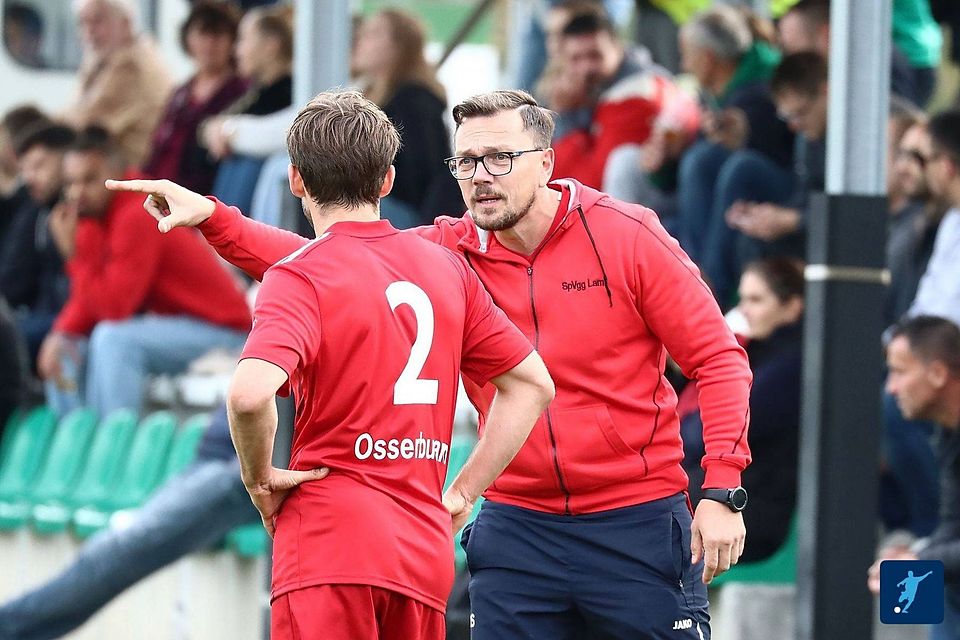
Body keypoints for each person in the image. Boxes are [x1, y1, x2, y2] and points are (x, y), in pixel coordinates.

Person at [113, 89, 752, 639]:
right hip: (517, 527)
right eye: (467, 160)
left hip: (633, 521)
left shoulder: (627, 235)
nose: (481, 175)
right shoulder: (449, 248)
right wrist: (216, 220)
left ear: (548, 164)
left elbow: (720, 358)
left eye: (501, 157)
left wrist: (723, 488)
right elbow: (336, 266)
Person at [111, 90, 555, 640]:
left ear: (295, 180)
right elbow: (533, 383)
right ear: (388, 180)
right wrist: (463, 493)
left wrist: (259, 479)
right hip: (421, 553)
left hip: (329, 545)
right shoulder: (446, 269)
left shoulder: (299, 276)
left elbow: (249, 395)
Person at [37, 127, 251, 419]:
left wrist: (73, 258)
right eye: (71, 183)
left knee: (113, 339)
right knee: (66, 348)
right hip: (173, 325)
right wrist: (61, 333)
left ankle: (114, 448)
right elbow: (89, 297)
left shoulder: (137, 212)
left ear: (115, 173)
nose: (77, 193)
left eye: (88, 181)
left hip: (222, 331)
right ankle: (78, 452)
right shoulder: (91, 216)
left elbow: (114, 308)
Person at [0, 406, 261, 640]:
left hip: (243, 471)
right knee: (108, 551)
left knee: (113, 553)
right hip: (219, 458)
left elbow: (254, 395)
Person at [682, 256, 803, 563]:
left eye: (756, 300)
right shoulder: (759, 352)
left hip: (753, 507)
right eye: (743, 298)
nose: (743, 310)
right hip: (730, 493)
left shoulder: (788, 366)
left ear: (792, 307)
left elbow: (700, 437)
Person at [870, 316, 960, 640]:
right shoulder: (949, 433)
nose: (891, 387)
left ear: (937, 373)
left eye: (899, 371)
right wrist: (916, 554)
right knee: (917, 584)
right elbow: (952, 524)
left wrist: (921, 557)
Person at [351, 8, 463, 228]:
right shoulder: (372, 93)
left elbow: (422, 177)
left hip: (408, 216)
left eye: (372, 34)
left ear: (397, 47)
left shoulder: (413, 100)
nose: (360, 40)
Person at [143, 1, 247, 194]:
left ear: (233, 41)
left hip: (206, 199)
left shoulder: (242, 91)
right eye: (202, 34)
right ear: (188, 39)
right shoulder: (180, 93)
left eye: (218, 35)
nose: (209, 43)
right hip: (161, 193)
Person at [64, 0, 172, 166]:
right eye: (83, 22)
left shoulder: (131, 65)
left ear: (125, 23)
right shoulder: (105, 58)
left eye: (98, 21)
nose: (89, 31)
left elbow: (82, 123)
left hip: (133, 176)